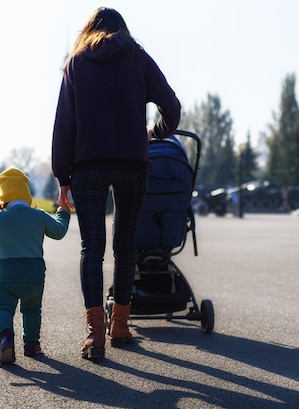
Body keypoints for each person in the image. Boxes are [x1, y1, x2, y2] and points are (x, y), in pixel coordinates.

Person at [51, 7, 181, 360]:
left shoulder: (76, 62)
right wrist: (154, 134)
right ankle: (120, 326)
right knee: (125, 245)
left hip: (88, 168)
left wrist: (63, 177)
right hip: (131, 165)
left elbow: (65, 123)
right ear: (122, 29)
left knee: (91, 249)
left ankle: (95, 336)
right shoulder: (137, 57)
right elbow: (171, 105)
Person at [0, 167, 71, 364]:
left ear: (3, 196)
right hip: (34, 274)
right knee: (31, 310)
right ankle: (31, 345)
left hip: (7, 275)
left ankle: (5, 340)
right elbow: (59, 231)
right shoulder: (38, 216)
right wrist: (63, 212)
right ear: (26, 194)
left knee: (2, 308)